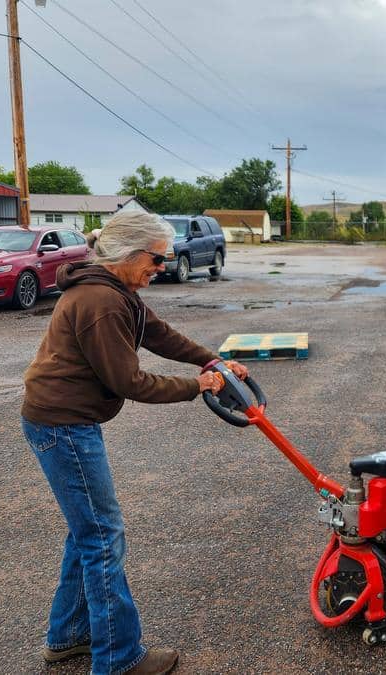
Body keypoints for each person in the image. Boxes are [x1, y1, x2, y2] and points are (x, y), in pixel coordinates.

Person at [21, 211, 248, 675]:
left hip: (63, 421)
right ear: (129, 253)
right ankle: (120, 659)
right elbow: (130, 381)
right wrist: (198, 386)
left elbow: (158, 334)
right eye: (156, 258)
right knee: (104, 536)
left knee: (86, 533)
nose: (160, 267)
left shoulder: (117, 291)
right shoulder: (101, 302)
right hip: (64, 425)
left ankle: (68, 637)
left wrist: (213, 360)